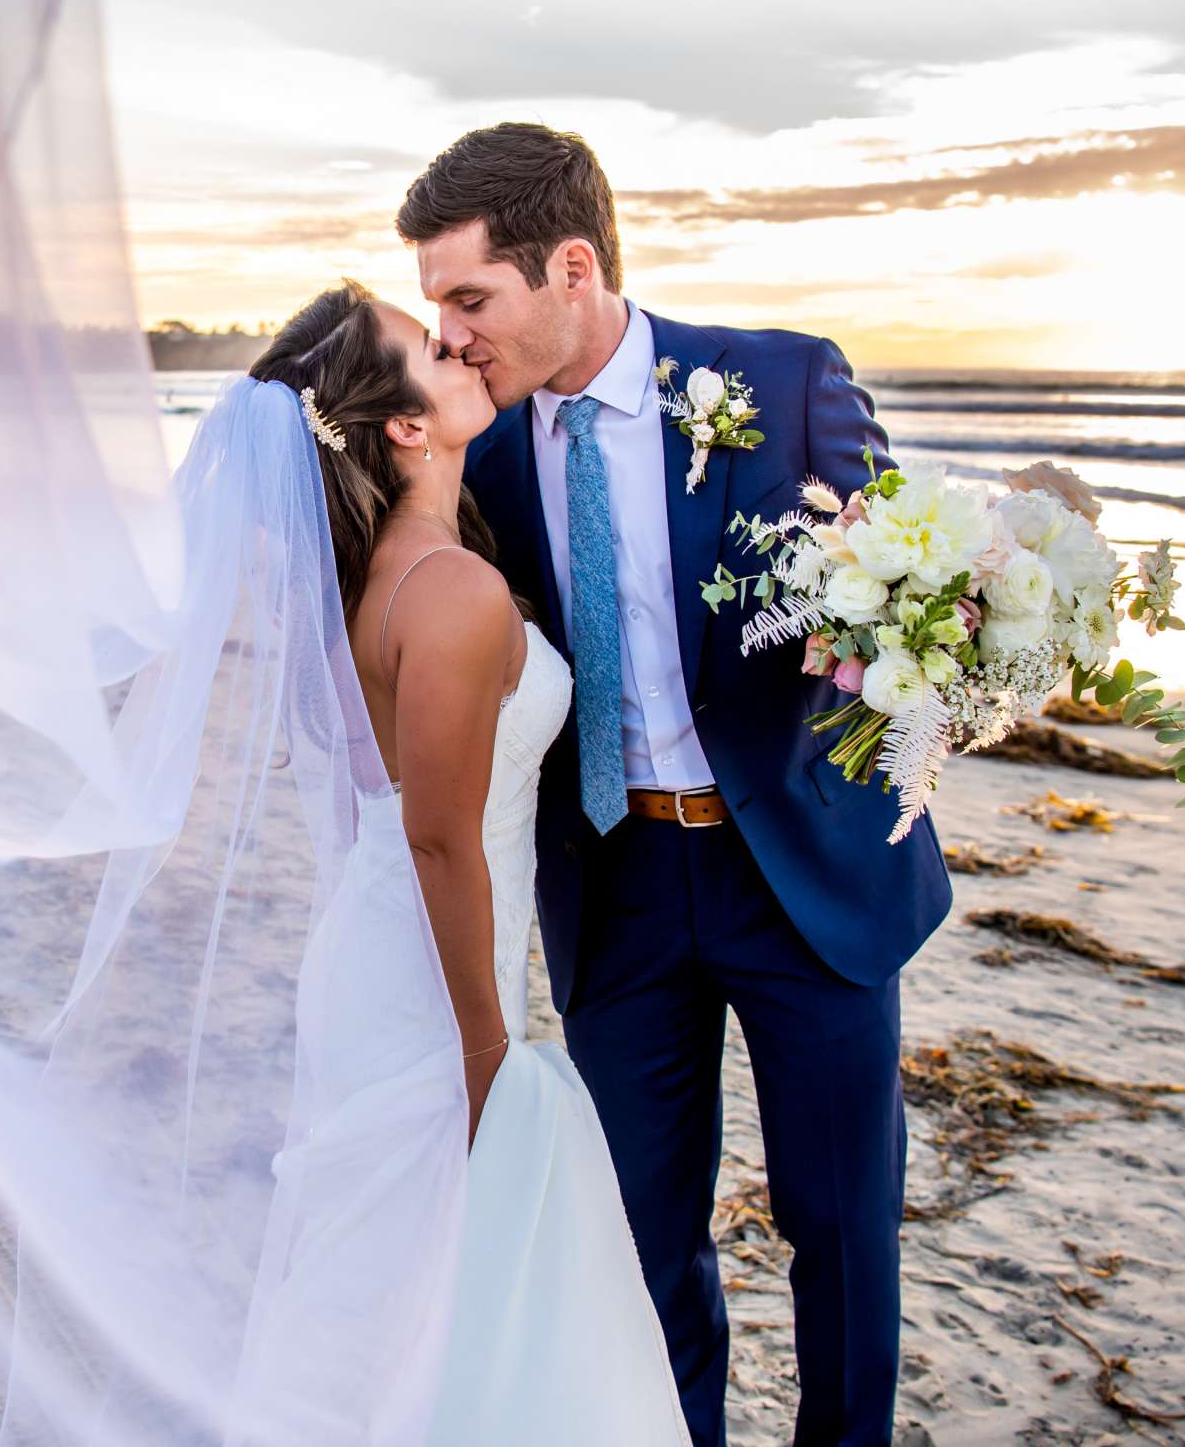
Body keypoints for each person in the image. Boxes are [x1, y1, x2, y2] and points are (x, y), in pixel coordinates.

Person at [402, 123, 952, 1447]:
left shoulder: (786, 382)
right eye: (437, 309)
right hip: (614, 884)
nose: (453, 335)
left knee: (841, 1234)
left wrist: (903, 648)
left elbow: (909, 601)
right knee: (641, 1244)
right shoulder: (479, 458)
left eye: (470, 298)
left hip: (805, 881)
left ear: (572, 267)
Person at [248, 282, 691, 1445]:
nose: (460, 350)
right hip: (423, 977)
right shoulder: (447, 587)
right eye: (431, 351)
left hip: (401, 942)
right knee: (404, 1268)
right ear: (403, 426)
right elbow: (437, 833)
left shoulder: (409, 565)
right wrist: (488, 1048)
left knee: (406, 1282)